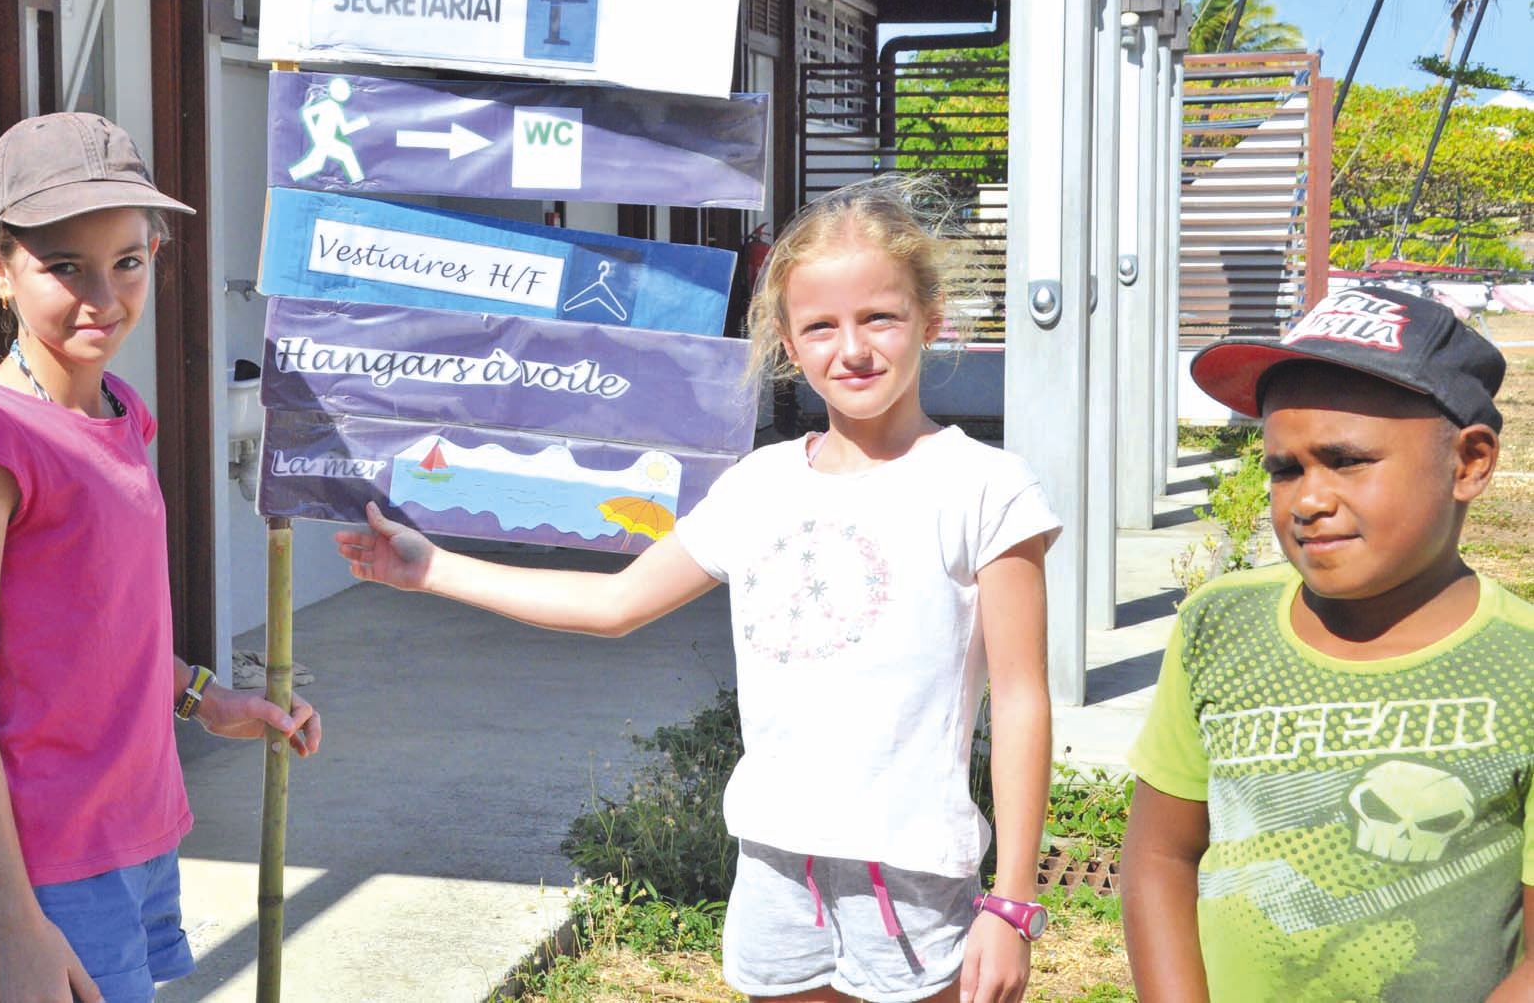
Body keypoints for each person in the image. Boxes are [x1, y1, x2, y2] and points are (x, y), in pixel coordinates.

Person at [336, 176, 1061, 1003]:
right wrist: (430, 567)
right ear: (788, 344)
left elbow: (1021, 698)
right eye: (821, 326)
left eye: (879, 317)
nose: (852, 348)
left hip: (915, 875)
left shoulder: (985, 487)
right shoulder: (760, 485)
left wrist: (1012, 901)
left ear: (930, 319)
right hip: (775, 869)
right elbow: (615, 604)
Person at [0, 112, 323, 1003]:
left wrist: (206, 698)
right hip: (38, 881)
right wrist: (15, 921)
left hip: (136, 849)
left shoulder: (123, 412)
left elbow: (97, 635)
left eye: (128, 261)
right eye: (65, 267)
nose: (103, 296)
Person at [1122, 286, 1534, 1002]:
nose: (1308, 500)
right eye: (1285, 469)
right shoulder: (1218, 628)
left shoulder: (1520, 664)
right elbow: (1160, 856)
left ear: (1469, 462)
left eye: (1347, 460)